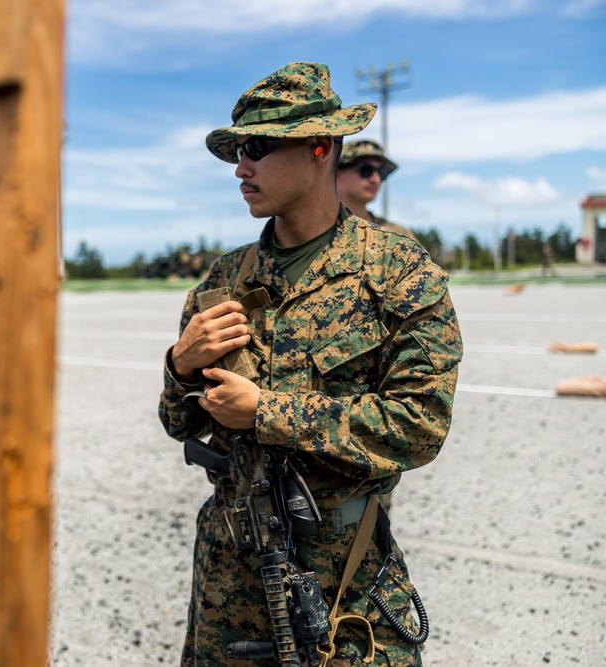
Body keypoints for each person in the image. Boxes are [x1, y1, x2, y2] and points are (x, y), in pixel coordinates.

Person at [158, 62, 463, 666]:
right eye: (237, 150)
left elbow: (419, 425)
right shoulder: (226, 277)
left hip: (342, 581)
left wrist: (266, 412)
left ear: (321, 147)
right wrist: (181, 367)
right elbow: (180, 423)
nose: (241, 166)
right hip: (229, 576)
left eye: (259, 147)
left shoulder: (396, 270)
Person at [336, 139, 417, 240]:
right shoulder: (315, 230)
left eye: (381, 172)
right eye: (366, 170)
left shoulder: (398, 236)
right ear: (336, 172)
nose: (376, 179)